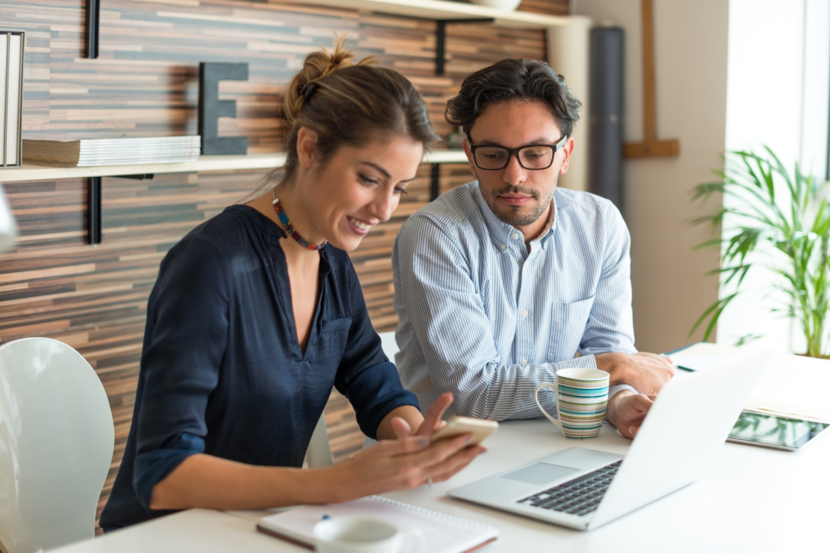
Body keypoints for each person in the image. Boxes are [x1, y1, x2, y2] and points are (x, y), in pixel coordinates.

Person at [99, 40, 484, 532]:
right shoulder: (209, 264)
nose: (385, 210)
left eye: (399, 189)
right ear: (309, 146)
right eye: (370, 179)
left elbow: (370, 375)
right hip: (165, 538)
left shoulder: (331, 261)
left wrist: (412, 436)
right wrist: (336, 482)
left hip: (258, 530)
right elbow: (163, 473)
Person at [392, 58, 674, 438]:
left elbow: (609, 346)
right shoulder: (434, 235)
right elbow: (471, 395)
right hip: (444, 455)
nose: (514, 176)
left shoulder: (600, 224)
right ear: (469, 155)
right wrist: (613, 369)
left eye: (536, 153)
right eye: (493, 154)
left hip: (550, 441)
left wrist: (620, 399)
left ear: (565, 154)